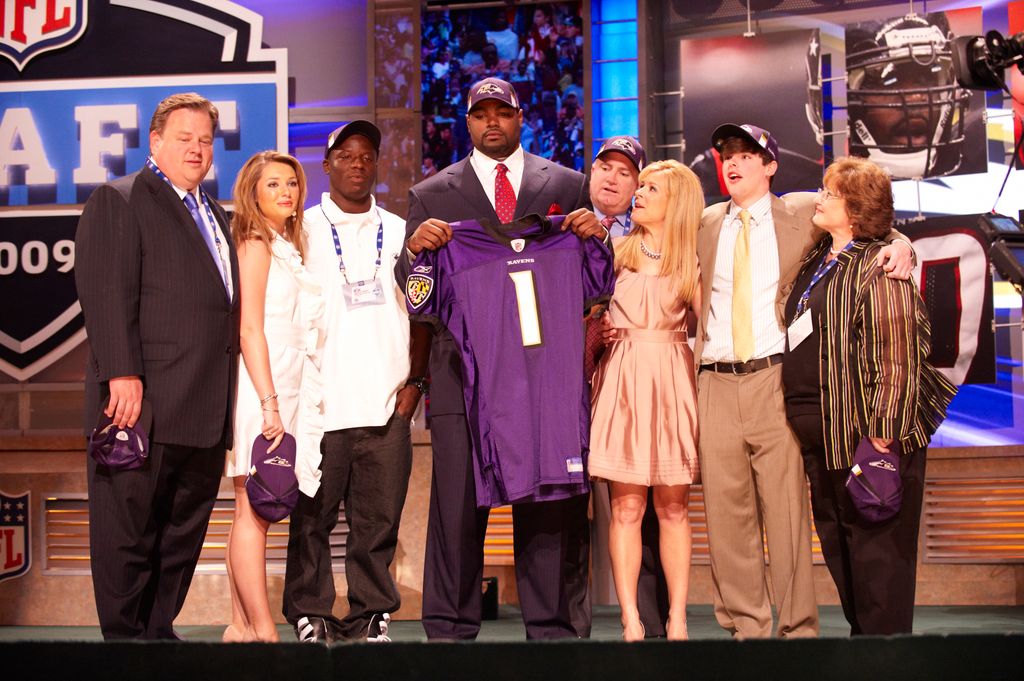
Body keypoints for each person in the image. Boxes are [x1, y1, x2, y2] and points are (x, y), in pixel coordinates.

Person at [397, 77, 604, 640]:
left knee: (544, 503)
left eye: (503, 113)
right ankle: (449, 630)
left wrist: (595, 236)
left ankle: (553, 630)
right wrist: (414, 251)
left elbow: (590, 285)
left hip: (541, 376)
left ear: (520, 118)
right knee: (458, 508)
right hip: (460, 373)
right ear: (467, 122)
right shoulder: (431, 193)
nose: (492, 122)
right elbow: (415, 293)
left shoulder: (566, 183)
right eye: (480, 114)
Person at [695, 122, 915, 639]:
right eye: (727, 154)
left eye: (748, 154)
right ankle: (747, 630)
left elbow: (867, 224)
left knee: (788, 513)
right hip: (716, 381)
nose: (734, 162)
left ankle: (798, 631)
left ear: (770, 165)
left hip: (775, 380)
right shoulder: (704, 222)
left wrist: (903, 244)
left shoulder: (799, 212)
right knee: (727, 519)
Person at [75, 93, 239, 640]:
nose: (196, 149)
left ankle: (156, 632)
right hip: (141, 404)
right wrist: (122, 372)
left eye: (205, 140)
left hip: (203, 405)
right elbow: (105, 292)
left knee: (181, 531)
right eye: (184, 138)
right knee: (129, 529)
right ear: (156, 141)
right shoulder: (120, 199)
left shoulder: (214, 212)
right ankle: (125, 642)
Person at [782, 157, 956, 635]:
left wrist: (883, 432)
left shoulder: (879, 265)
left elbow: (897, 352)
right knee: (844, 553)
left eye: (830, 194)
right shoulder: (820, 256)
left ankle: (887, 659)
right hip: (824, 435)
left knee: (879, 560)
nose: (819, 198)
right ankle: (867, 650)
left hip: (867, 437)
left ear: (855, 210)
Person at [283, 121, 429, 643]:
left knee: (377, 523)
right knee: (312, 521)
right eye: (346, 156)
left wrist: (415, 387)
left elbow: (423, 312)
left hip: (386, 402)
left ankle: (372, 614)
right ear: (327, 166)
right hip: (320, 401)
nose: (358, 164)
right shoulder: (301, 228)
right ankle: (310, 613)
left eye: (367, 156)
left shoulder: (400, 230)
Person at [590, 160, 702, 641]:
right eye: (643, 187)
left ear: (674, 202)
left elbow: (713, 324)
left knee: (674, 509)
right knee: (626, 509)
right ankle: (631, 618)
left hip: (673, 377)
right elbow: (585, 310)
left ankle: (677, 618)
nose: (639, 193)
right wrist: (598, 326)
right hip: (623, 378)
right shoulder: (614, 251)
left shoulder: (693, 259)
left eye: (651, 188)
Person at [222, 152, 323, 643]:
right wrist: (268, 402)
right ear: (253, 192)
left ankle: (240, 626)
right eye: (274, 184)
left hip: (287, 382)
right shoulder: (255, 242)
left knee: (252, 508)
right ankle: (264, 630)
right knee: (255, 508)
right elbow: (249, 329)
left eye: (292, 183)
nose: (286, 191)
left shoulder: (286, 243)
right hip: (262, 384)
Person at [585, 136, 671, 639]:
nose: (613, 179)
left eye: (625, 172)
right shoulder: (565, 226)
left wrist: (897, 240)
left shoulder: (657, 233)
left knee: (648, 507)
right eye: (604, 167)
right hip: (574, 382)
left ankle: (651, 623)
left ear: (640, 185)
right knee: (575, 512)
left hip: (638, 384)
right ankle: (572, 630)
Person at [845, 13, 974, 179]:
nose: (915, 98)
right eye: (888, 80)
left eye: (928, 77)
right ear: (849, 96)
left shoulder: (974, 156)